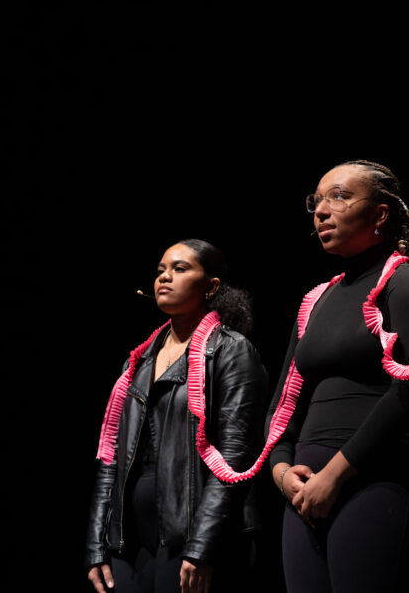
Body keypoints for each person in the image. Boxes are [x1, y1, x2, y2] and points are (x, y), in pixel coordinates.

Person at [266, 160, 409, 593]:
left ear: (380, 214)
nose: (322, 210)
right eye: (317, 200)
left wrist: (335, 475)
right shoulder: (316, 301)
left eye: (339, 196)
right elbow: (283, 405)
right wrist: (283, 472)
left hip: (373, 480)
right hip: (303, 489)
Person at [84, 239, 268, 593]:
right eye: (160, 271)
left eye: (180, 269)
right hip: (132, 539)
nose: (164, 278)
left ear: (211, 286)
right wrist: (97, 546)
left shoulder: (230, 351)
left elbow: (234, 455)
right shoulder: (139, 361)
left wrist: (202, 547)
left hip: (191, 534)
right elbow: (111, 459)